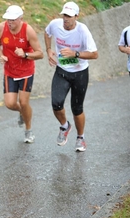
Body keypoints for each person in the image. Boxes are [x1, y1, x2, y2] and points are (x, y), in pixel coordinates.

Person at [44, 1, 98, 152]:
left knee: (77, 108)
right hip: (62, 70)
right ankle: (64, 126)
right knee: (56, 103)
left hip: (80, 73)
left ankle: (80, 138)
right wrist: (48, 50)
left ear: (76, 16)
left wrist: (75, 54)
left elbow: (94, 54)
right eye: (64, 15)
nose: (65, 19)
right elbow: (47, 33)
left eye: (69, 16)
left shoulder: (83, 30)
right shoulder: (55, 25)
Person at [0, 5, 43, 144]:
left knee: (23, 102)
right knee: (10, 104)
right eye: (8, 19)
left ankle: (28, 130)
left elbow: (40, 53)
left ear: (21, 19)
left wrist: (25, 54)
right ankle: (23, 113)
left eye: (13, 20)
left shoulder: (28, 31)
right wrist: (1, 55)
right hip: (10, 71)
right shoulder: (0, 29)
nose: (10, 22)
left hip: (26, 72)